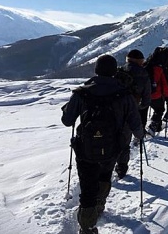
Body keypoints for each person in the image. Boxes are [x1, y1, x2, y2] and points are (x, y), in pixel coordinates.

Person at [61, 54, 144, 234]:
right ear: (115, 71)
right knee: (104, 176)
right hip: (113, 147)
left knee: (88, 185)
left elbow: (67, 121)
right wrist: (140, 135)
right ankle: (99, 207)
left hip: (85, 148)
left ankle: (87, 225)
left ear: (96, 70)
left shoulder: (81, 92)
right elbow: (135, 122)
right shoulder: (123, 93)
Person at [114, 49, 151, 179]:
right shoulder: (143, 73)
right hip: (131, 110)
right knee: (125, 140)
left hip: (113, 109)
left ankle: (107, 163)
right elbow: (147, 96)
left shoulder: (119, 70)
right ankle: (121, 168)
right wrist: (140, 107)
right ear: (140, 61)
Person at [144, 47, 168, 134]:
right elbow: (164, 84)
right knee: (159, 110)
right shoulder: (159, 68)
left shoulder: (146, 64)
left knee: (147, 111)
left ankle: (156, 127)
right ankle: (153, 126)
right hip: (156, 94)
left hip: (144, 94)